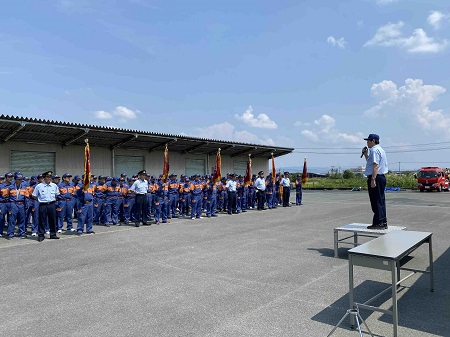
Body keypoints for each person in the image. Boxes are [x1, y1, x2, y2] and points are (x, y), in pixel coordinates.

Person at [362, 134, 389, 229]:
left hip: (376, 177)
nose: (367, 143)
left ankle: (379, 222)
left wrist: (373, 179)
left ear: (373, 141)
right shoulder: (380, 150)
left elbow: (375, 166)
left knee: (376, 200)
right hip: (380, 177)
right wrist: (365, 155)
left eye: (368, 141)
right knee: (380, 200)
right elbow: (371, 163)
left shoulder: (374, 150)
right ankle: (383, 221)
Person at [32, 171, 60, 242]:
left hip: (52, 204)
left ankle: (53, 234)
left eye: (50, 177)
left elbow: (57, 194)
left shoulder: (54, 185)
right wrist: (40, 200)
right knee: (42, 220)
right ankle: (41, 235)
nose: (49, 178)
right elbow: (34, 195)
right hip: (43, 205)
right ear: (44, 178)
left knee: (52, 220)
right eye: (47, 177)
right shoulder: (39, 186)